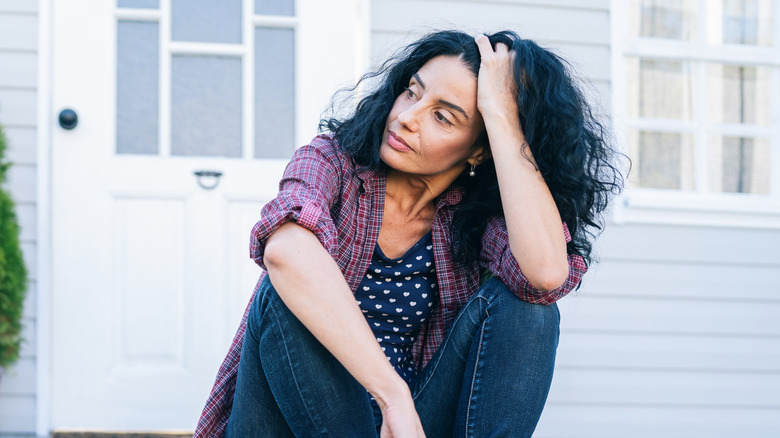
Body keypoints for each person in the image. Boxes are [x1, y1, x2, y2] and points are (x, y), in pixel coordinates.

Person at [195, 30, 623, 437]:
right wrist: (392, 396)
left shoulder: (473, 218)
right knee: (285, 289)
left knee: (529, 309)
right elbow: (285, 251)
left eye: (442, 116)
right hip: (288, 417)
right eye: (412, 92)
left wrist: (502, 118)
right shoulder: (331, 162)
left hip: (406, 427)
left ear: (479, 148)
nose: (405, 118)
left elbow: (545, 275)